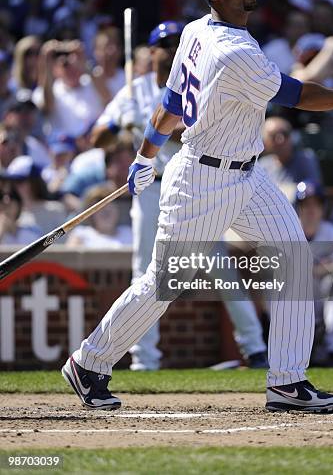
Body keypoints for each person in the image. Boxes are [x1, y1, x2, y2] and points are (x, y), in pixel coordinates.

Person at [62, 0, 333, 413]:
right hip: (202, 181)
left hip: (245, 175)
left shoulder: (195, 30)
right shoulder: (235, 52)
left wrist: (145, 154)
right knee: (163, 283)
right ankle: (89, 361)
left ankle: (287, 382)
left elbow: (171, 103)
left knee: (293, 255)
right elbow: (297, 95)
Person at [91, 19, 268, 371]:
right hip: (150, 190)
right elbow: (97, 138)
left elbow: (192, 132)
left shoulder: (198, 84)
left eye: (176, 44)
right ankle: (145, 359)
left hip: (193, 188)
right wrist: (117, 127)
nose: (172, 50)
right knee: (145, 273)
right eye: (165, 45)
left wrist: (153, 127)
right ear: (151, 52)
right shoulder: (134, 91)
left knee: (219, 266)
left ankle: (254, 348)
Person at [295, 182, 333, 367]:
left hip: (322, 292)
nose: (311, 209)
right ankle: (290, 348)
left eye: (316, 204)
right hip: (297, 294)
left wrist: (313, 269)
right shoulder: (288, 232)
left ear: (322, 208)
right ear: (298, 207)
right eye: (306, 204)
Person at [259, 117, 322, 203]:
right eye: (274, 136)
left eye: (284, 134)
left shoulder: (306, 158)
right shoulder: (262, 165)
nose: (280, 139)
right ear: (265, 141)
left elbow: (313, 190)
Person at [66, 183, 132, 248]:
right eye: (100, 207)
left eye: (110, 203)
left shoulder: (129, 233)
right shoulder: (80, 235)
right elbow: (69, 257)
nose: (106, 210)